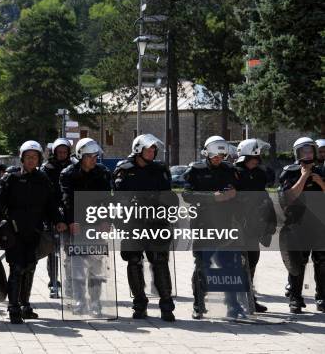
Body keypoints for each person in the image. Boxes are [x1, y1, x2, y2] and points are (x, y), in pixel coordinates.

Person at [114, 134, 176, 322]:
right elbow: (117, 198)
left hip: (157, 223)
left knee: (159, 262)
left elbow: (168, 194)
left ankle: (166, 306)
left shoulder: (160, 169)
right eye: (148, 149)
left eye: (153, 150)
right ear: (138, 149)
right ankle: (139, 305)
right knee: (133, 262)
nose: (152, 152)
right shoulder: (124, 170)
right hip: (133, 224)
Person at [182, 135, 245, 319]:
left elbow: (240, 191)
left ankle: (233, 306)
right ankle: (199, 304)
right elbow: (187, 194)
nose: (218, 158)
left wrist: (234, 194)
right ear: (207, 152)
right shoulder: (196, 169)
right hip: (203, 225)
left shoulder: (229, 169)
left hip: (225, 224)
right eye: (215, 154)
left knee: (228, 265)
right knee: (203, 265)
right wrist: (213, 197)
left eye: (221, 154)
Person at [0, 140, 61, 323]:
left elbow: (51, 205)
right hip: (14, 231)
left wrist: (59, 221)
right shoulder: (11, 179)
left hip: (34, 231)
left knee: (29, 268)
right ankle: (14, 308)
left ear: (39, 159)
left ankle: (25, 305)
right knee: (16, 268)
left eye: (34, 157)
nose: (31, 160)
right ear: (22, 159)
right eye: (28, 157)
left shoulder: (43, 179)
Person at [59, 137, 113, 316]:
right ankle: (80, 300)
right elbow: (67, 200)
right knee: (77, 264)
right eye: (89, 156)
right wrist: (71, 222)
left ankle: (96, 302)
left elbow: (107, 199)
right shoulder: (68, 174)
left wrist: (107, 221)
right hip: (76, 224)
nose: (93, 159)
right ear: (81, 156)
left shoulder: (103, 173)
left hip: (96, 224)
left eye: (95, 155)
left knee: (96, 265)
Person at [279, 137, 325, 313]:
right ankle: (295, 299)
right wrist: (304, 176)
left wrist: (320, 182)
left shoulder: (321, 171)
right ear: (297, 153)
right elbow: (289, 197)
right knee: (298, 262)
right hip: (298, 223)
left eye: (310, 150)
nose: (307, 154)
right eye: (303, 151)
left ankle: (321, 298)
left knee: (321, 262)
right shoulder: (290, 172)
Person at [234, 138, 277, 313]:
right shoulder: (234, 173)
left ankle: (250, 298)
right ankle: (234, 299)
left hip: (254, 224)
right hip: (236, 224)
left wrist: (270, 220)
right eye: (252, 157)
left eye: (257, 158)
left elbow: (265, 194)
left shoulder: (260, 174)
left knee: (252, 260)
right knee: (236, 262)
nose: (256, 160)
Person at [40, 138, 74, 298]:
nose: (62, 155)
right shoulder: (46, 169)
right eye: (59, 152)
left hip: (69, 212)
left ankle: (71, 282)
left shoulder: (74, 167)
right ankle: (53, 282)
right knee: (52, 251)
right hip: (52, 214)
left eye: (64, 152)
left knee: (70, 250)